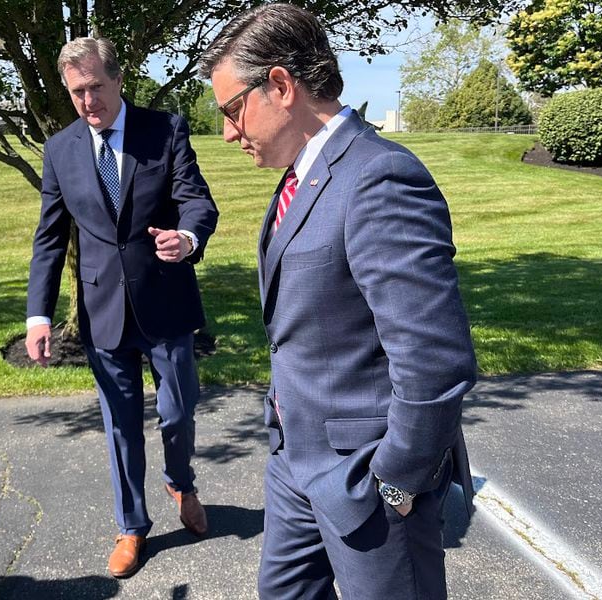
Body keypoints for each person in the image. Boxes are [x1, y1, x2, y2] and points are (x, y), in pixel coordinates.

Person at [199, 5, 477, 599]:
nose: (227, 132)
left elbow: (434, 359)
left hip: (366, 481)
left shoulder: (380, 177)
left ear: (280, 85)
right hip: (294, 463)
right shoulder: (306, 173)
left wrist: (398, 482)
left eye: (230, 110)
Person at [26, 37, 218, 579]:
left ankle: (181, 483)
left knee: (179, 410)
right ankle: (131, 525)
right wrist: (38, 316)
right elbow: (49, 237)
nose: (88, 102)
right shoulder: (61, 149)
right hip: (102, 307)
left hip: (166, 299)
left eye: (95, 88)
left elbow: (197, 199)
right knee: (120, 424)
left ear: (118, 80)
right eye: (76, 93)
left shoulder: (166, 130)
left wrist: (187, 236)